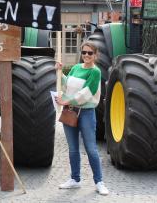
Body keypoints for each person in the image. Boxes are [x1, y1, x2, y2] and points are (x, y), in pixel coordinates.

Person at [54, 41, 109, 196]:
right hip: (70, 111)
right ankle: (75, 179)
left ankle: (99, 182)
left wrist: (67, 101)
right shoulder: (76, 68)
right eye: (84, 52)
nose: (86, 55)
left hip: (86, 112)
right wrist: (60, 73)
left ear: (95, 55)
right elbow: (66, 86)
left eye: (90, 53)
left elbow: (87, 92)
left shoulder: (95, 72)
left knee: (91, 148)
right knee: (73, 149)